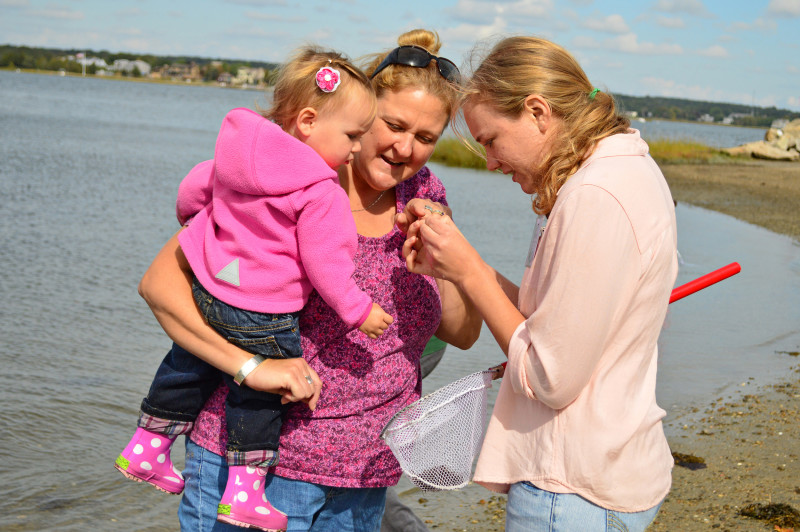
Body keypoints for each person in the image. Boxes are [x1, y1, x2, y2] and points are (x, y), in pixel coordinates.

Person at [136, 29, 481, 532]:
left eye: (426, 138)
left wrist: (442, 259)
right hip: (255, 471)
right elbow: (159, 287)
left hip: (364, 477)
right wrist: (251, 366)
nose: (405, 148)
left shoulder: (424, 192)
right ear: (358, 117)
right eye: (392, 125)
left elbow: (463, 332)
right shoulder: (285, 178)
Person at [403, 36, 678, 531]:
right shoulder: (612, 171)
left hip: (571, 486)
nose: (489, 161)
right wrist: (463, 264)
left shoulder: (596, 196)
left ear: (537, 112)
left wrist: (468, 271)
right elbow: (544, 320)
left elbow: (550, 378)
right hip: (605, 465)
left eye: (490, 140)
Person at [115, 46, 394, 532]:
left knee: (188, 365)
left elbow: (194, 188)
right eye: (351, 136)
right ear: (308, 121)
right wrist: (357, 310)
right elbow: (325, 266)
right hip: (265, 310)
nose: (354, 149)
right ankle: (244, 494)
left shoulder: (237, 157)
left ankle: (147, 446)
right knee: (259, 399)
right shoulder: (319, 190)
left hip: (212, 289)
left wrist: (199, 228)